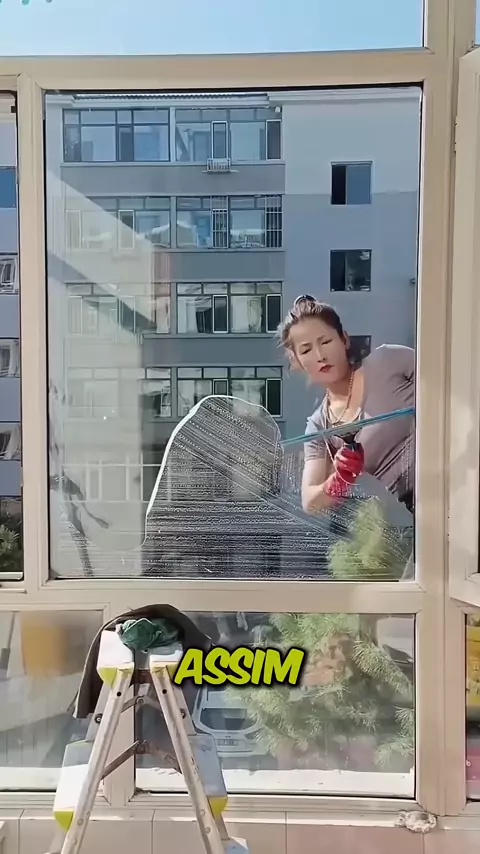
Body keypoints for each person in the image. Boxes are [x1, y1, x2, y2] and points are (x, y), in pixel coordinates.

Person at [277, 295, 415, 516]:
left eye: (325, 342)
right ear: (298, 362)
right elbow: (310, 502)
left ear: (344, 339)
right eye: (306, 350)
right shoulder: (319, 426)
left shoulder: (388, 360)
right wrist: (340, 478)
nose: (320, 355)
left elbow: (454, 386)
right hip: (424, 507)